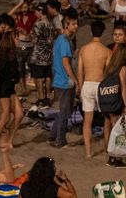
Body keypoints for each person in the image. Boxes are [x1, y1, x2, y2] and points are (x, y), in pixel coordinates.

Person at [76, 18, 112, 158]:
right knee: (106, 118)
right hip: (101, 85)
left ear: (91, 31)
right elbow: (108, 72)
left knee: (87, 120)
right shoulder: (107, 51)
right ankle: (107, 146)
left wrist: (79, 86)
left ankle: (88, 152)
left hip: (87, 84)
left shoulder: (84, 49)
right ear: (102, 32)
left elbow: (80, 71)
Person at [0, 28, 24, 150]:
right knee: (5, 116)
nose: (18, 40)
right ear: (11, 40)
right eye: (16, 37)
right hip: (2, 89)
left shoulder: (13, 55)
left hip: (11, 88)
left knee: (19, 115)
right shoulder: (5, 58)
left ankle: (8, 140)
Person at [48, 13, 77, 149]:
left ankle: (53, 135)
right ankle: (60, 139)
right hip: (64, 82)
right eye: (73, 24)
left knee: (63, 111)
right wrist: (74, 79)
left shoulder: (60, 39)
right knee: (65, 112)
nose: (76, 27)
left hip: (59, 80)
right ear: (66, 25)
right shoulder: (65, 42)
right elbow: (66, 63)